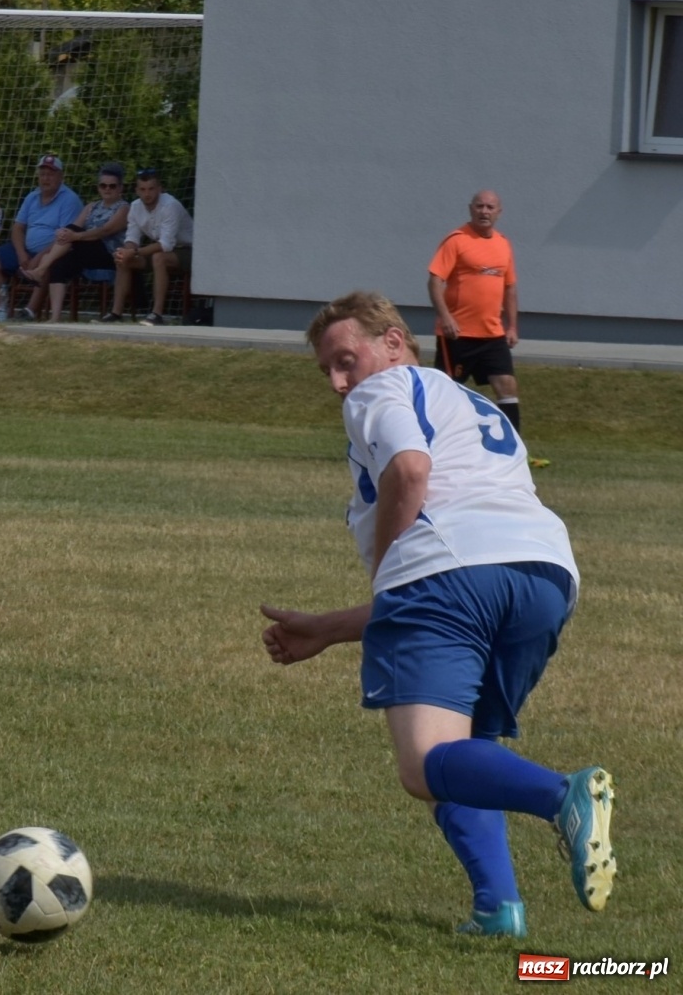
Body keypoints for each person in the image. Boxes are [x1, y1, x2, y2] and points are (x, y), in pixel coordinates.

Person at [260, 291, 615, 938]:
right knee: (468, 751)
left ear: (394, 342)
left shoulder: (385, 391)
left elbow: (411, 472)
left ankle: (566, 796)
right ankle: (496, 909)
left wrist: (394, 573)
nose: (341, 384)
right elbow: (449, 558)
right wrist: (330, 628)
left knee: (425, 763)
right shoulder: (472, 406)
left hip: (452, 580)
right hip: (546, 578)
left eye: (347, 360)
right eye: (327, 373)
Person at [427, 190, 539, 460]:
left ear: (499, 212)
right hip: (457, 335)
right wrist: (447, 318)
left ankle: (513, 452)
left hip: (492, 335)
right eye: (479, 206)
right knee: (445, 394)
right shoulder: (457, 240)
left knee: (507, 386)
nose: (484, 211)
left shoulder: (503, 244)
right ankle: (435, 449)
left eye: (490, 207)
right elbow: (434, 281)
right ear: (471, 209)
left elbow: (509, 287)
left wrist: (512, 326)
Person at [14, 162, 129, 323]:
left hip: (109, 254)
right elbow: (75, 225)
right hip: (85, 250)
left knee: (72, 237)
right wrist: (64, 232)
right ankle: (55, 317)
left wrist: (75, 236)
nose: (107, 189)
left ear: (120, 188)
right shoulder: (91, 206)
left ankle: (40, 269)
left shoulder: (124, 208)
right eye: (103, 185)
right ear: (98, 187)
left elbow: (106, 231)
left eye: (112, 186)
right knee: (60, 263)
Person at [0, 154, 83, 322]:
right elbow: (18, 228)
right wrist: (21, 254)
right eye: (42, 174)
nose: (45, 179)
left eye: (50, 174)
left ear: (61, 176)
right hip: (26, 250)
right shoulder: (32, 197)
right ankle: (0, 311)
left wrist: (39, 256)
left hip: (52, 250)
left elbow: (65, 237)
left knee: (49, 262)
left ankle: (29, 312)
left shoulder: (70, 200)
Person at [106, 168, 193, 325]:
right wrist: (126, 252)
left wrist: (134, 251)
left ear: (160, 189)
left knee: (158, 257)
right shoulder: (135, 206)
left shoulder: (170, 205)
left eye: (151, 189)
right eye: (143, 189)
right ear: (137, 190)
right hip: (162, 249)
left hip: (188, 250)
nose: (147, 194)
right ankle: (116, 313)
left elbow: (166, 244)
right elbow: (132, 237)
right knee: (122, 259)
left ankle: (157, 314)